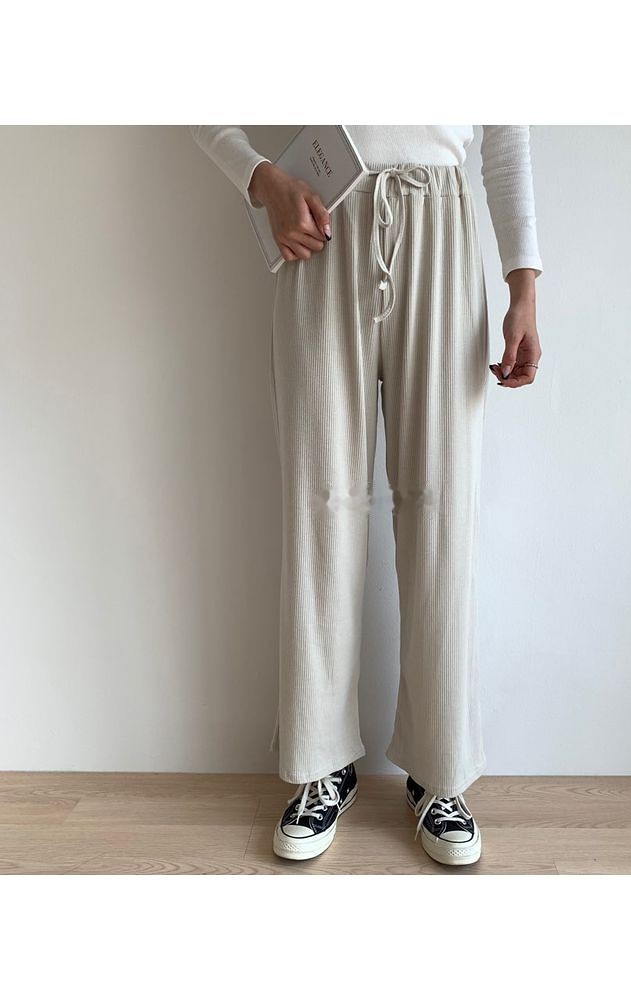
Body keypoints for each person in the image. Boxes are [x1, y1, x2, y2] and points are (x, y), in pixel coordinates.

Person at [190, 125, 543, 866]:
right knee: (320, 506)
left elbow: (506, 142)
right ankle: (320, 763)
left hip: (441, 226)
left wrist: (524, 286)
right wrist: (260, 179)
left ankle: (441, 771)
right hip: (321, 216)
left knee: (443, 507)